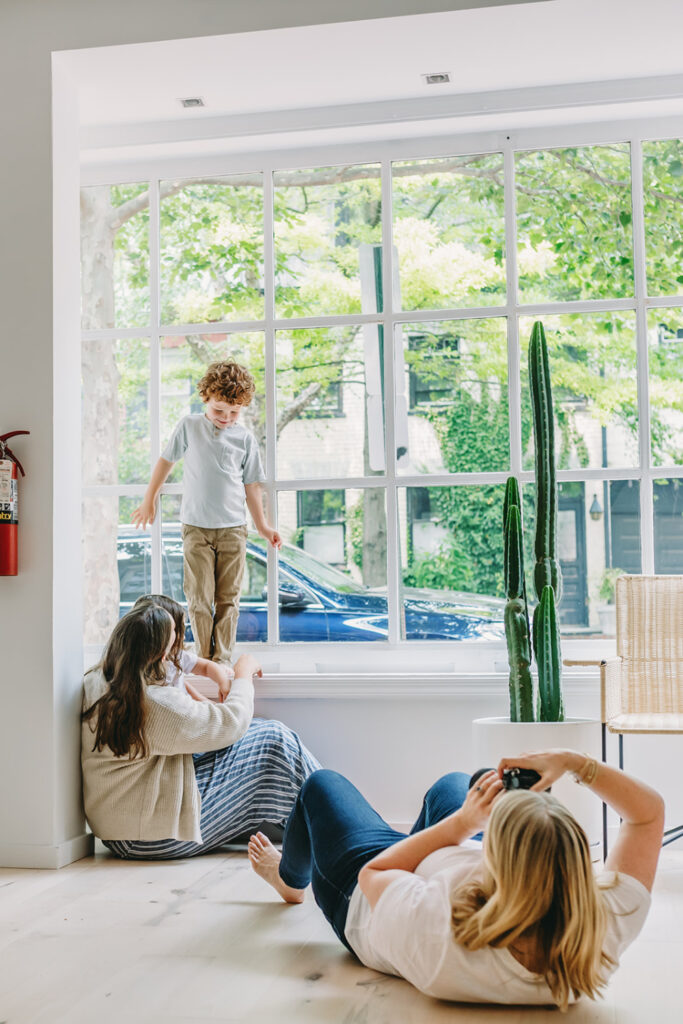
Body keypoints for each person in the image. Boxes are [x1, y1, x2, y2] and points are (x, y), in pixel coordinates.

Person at [248, 750, 664, 1011]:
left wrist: (463, 822)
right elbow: (648, 814)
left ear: (496, 859)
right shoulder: (602, 924)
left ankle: (288, 878)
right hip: (436, 869)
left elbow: (375, 873)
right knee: (457, 783)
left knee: (322, 785)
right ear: (575, 866)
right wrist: (574, 762)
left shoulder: (439, 927)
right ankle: (457, 819)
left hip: (367, 893)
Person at [81, 603, 319, 859]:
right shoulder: (153, 704)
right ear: (160, 657)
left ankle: (316, 834)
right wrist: (243, 674)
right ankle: (339, 830)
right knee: (275, 739)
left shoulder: (100, 679)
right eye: (173, 644)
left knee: (261, 731)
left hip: (120, 827)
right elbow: (231, 722)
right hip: (147, 835)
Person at [131, 360, 281, 667]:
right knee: (199, 600)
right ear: (206, 399)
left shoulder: (245, 439)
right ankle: (204, 659)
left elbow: (252, 486)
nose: (226, 418)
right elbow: (165, 462)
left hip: (233, 530)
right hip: (196, 529)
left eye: (234, 412)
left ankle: (222, 660)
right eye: (219, 410)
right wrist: (150, 499)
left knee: (229, 600)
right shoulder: (189, 426)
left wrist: (263, 526)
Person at [133, 593, 234, 703]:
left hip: (187, 708)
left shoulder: (177, 655)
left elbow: (206, 667)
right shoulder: (138, 671)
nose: (183, 636)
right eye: (177, 630)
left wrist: (223, 683)